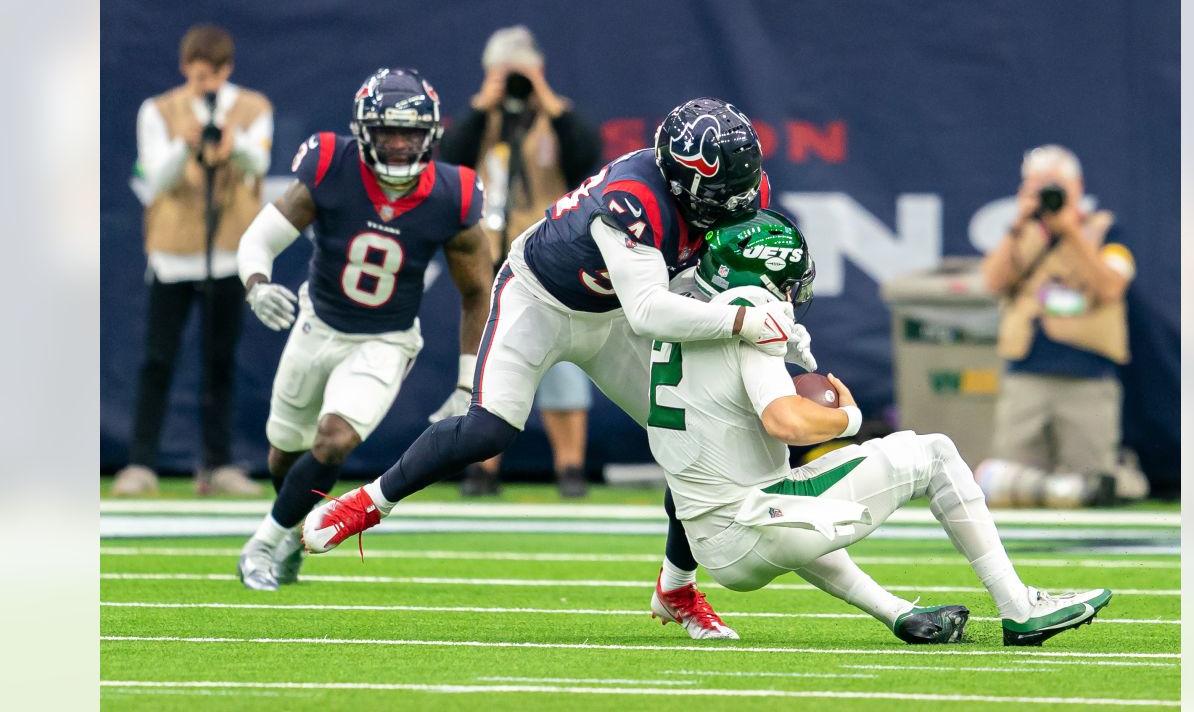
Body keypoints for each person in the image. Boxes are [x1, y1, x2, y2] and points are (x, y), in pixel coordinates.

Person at [304, 97, 815, 640]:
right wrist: (741, 324)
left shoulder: (731, 190)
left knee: (690, 434)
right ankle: (366, 502)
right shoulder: (635, 197)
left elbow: (701, 282)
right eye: (718, 194)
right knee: (488, 428)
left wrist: (775, 319)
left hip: (611, 312)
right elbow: (648, 311)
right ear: (681, 177)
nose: (736, 204)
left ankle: (677, 588)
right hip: (541, 300)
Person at [652, 208, 1112, 646]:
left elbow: (785, 518)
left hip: (712, 537)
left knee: (794, 502)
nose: (790, 295)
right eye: (788, 283)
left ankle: (897, 612)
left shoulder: (681, 309)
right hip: (753, 522)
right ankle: (1019, 607)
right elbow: (786, 422)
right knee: (935, 454)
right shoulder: (753, 310)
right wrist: (848, 419)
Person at [233, 68, 491, 591]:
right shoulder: (332, 167)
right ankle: (292, 537)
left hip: (386, 338)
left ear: (431, 135)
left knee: (333, 441)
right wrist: (257, 284)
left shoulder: (453, 195)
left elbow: (477, 292)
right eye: (386, 132)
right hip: (317, 324)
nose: (398, 145)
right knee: (286, 452)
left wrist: (468, 383)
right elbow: (260, 237)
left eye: (410, 133)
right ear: (362, 131)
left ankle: (259, 545)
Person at [434, 25, 603, 497]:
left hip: (553, 256)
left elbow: (588, 159)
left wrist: (545, 95)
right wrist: (480, 104)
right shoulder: (481, 122)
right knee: (493, 364)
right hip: (492, 257)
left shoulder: (557, 118)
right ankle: (483, 467)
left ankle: (570, 468)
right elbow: (450, 163)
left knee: (565, 362)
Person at [112, 24, 271, 497]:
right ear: (186, 69)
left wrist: (232, 141)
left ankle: (218, 465)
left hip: (228, 252)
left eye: (215, 76)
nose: (207, 85)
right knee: (158, 359)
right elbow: (155, 178)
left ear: (228, 70)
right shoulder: (158, 110)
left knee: (220, 360)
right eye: (199, 75)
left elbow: (257, 165)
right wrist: (184, 142)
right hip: (172, 255)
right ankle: (141, 464)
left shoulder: (253, 108)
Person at [981, 145, 1142, 498]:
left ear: (1078, 187)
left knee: (1089, 486)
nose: (1047, 196)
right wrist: (1017, 224)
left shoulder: (1106, 231)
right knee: (1014, 486)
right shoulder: (1022, 235)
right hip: (1026, 372)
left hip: (1087, 375)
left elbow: (1111, 287)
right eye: (1038, 187)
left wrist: (1070, 232)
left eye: (1055, 186)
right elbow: (992, 283)